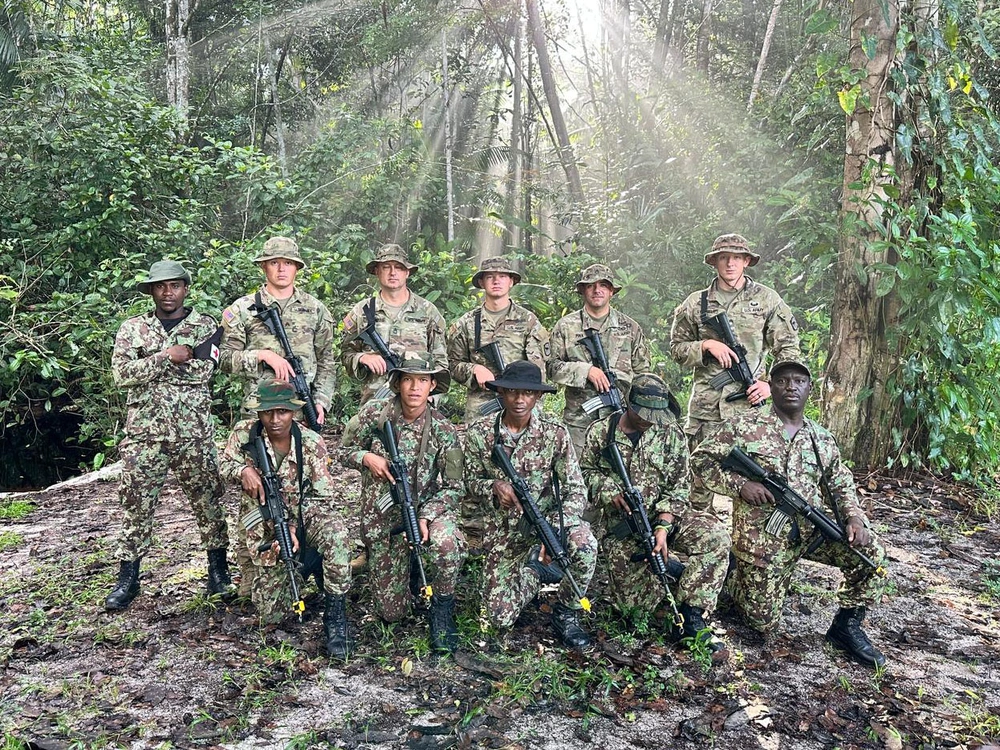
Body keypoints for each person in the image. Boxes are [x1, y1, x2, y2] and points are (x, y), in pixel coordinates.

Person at [690, 360, 888, 668]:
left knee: (870, 553)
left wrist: (854, 518)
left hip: (811, 531)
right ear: (771, 387)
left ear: (809, 389)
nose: (791, 387)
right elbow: (700, 460)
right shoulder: (743, 426)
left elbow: (840, 483)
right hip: (762, 539)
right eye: (782, 381)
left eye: (798, 381)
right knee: (761, 623)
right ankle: (734, 578)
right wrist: (740, 485)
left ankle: (846, 626)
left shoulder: (821, 438)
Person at [105, 260, 231, 612]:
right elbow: (122, 375)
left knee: (208, 501)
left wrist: (151, 367)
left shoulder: (205, 326)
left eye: (174, 285)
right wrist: (166, 356)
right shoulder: (133, 328)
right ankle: (128, 579)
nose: (167, 292)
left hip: (194, 433)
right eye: (160, 286)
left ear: (185, 288)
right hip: (145, 435)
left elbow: (204, 372)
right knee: (135, 504)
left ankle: (218, 572)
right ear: (151, 290)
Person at [580, 373, 730, 652]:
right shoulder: (602, 432)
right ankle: (677, 574)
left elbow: (680, 486)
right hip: (622, 527)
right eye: (642, 413)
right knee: (634, 613)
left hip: (666, 518)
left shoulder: (671, 433)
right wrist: (610, 491)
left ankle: (691, 614)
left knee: (715, 536)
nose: (648, 420)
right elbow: (584, 473)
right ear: (629, 404)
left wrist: (663, 526)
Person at [464, 361, 597, 649]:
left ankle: (567, 611)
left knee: (585, 545)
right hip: (504, 530)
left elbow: (576, 488)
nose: (519, 399)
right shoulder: (480, 432)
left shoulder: (555, 433)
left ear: (537, 396)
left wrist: (556, 529)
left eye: (527, 393)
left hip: (549, 521)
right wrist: (493, 486)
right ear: (502, 393)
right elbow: (468, 482)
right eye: (513, 391)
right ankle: (535, 574)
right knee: (498, 617)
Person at [340, 353, 466, 654]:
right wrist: (366, 457)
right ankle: (402, 569)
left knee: (446, 543)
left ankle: (442, 608)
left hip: (425, 513)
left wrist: (426, 516)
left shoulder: (444, 430)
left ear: (432, 386)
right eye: (408, 379)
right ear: (397, 384)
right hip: (384, 520)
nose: (414, 387)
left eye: (422, 380)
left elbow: (454, 486)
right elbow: (343, 451)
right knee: (391, 613)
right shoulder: (374, 413)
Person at [219, 381, 353, 658]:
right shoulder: (244, 433)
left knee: (337, 534)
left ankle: (336, 616)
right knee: (272, 614)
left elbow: (323, 497)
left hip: (305, 519)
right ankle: (306, 565)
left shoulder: (311, 443)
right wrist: (243, 470)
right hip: (263, 529)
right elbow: (223, 464)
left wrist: (293, 527)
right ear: (259, 412)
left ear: (293, 412)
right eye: (268, 412)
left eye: (282, 411)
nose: (275, 419)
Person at [670, 233, 800, 511]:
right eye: (724, 258)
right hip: (706, 410)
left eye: (737, 258)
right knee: (697, 484)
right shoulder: (696, 303)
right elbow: (677, 349)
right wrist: (706, 346)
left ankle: (744, 539)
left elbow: (789, 350)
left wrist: (771, 386)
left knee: (754, 484)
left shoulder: (767, 300)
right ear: (714, 262)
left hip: (750, 410)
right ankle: (699, 534)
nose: (730, 263)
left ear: (746, 262)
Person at [219, 236, 337, 426]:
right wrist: (261, 355)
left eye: (288, 263)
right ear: (264, 266)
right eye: (274, 262)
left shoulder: (316, 309)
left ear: (296, 267)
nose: (282, 269)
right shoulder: (242, 308)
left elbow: (326, 361)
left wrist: (320, 401)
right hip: (257, 412)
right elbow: (224, 358)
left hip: (301, 413)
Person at [548, 263, 650, 460]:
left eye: (603, 285)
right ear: (583, 290)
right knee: (576, 473)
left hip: (622, 419)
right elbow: (550, 367)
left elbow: (643, 374)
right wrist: (585, 371)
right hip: (580, 422)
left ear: (611, 291)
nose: (597, 290)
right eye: (590, 285)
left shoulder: (630, 328)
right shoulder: (566, 326)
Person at [342, 244, 449, 404]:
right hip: (374, 405)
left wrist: (433, 397)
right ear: (377, 271)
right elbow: (346, 354)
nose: (393, 273)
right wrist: (362, 357)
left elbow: (440, 361)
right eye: (386, 267)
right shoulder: (361, 311)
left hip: (416, 406)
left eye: (399, 267)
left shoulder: (428, 311)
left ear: (407, 272)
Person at [446, 256, 549, 423]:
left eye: (502, 276)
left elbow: (538, 372)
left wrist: (531, 404)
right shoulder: (466, 323)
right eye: (490, 277)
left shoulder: (528, 321)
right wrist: (474, 369)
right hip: (482, 405)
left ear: (511, 282)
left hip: (521, 402)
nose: (496, 281)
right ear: (481, 283)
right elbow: (452, 364)